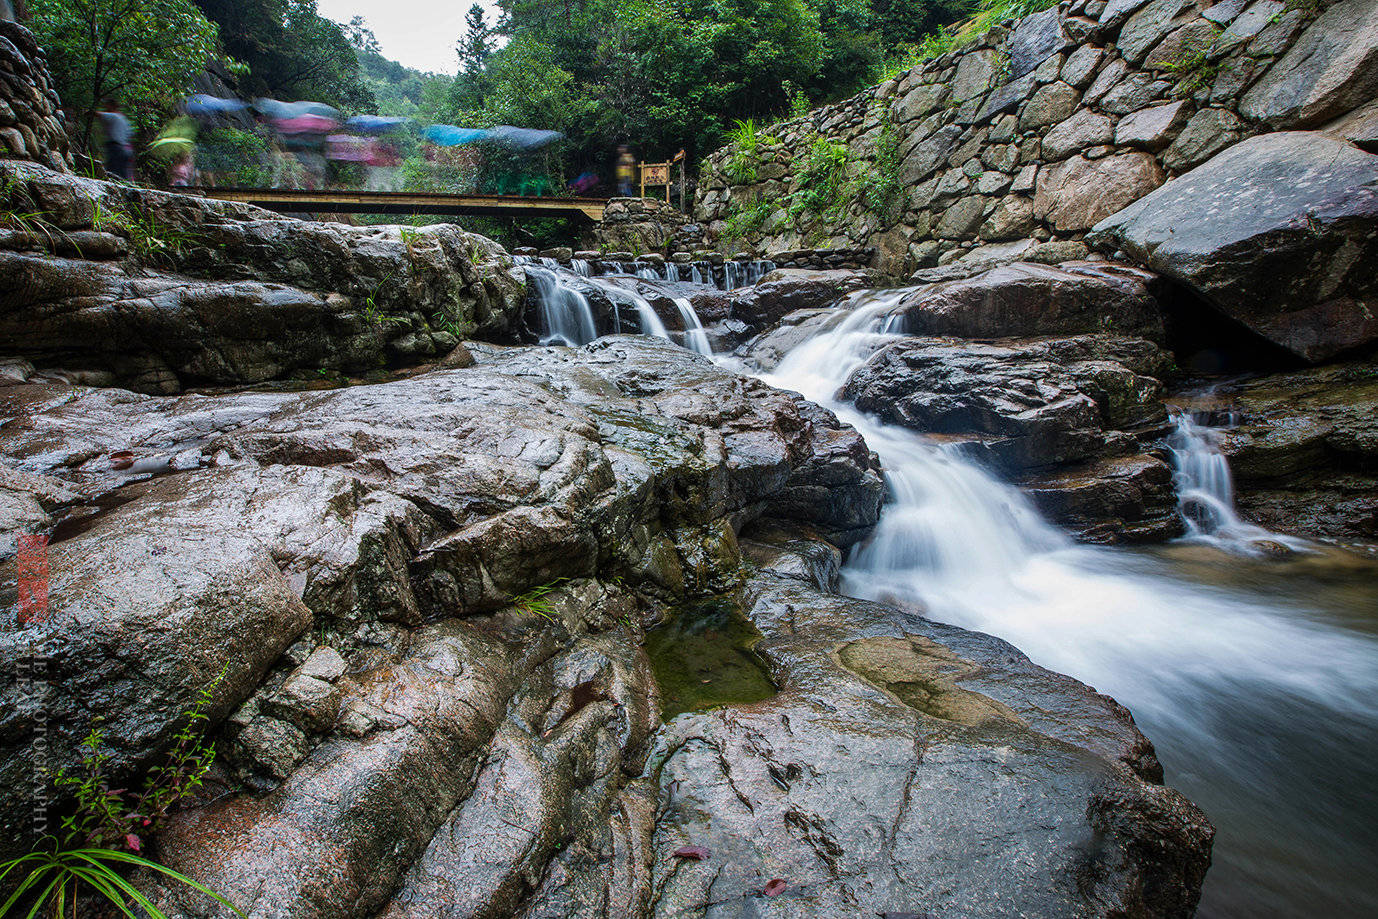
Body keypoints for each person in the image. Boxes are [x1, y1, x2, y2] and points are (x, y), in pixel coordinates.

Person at [96, 99, 134, 181]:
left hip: (116, 148)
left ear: (111, 106)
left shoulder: (114, 116)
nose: (105, 108)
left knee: (113, 172)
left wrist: (88, 112)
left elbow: (99, 114)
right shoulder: (123, 118)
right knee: (123, 174)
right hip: (126, 148)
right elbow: (130, 134)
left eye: (107, 106)